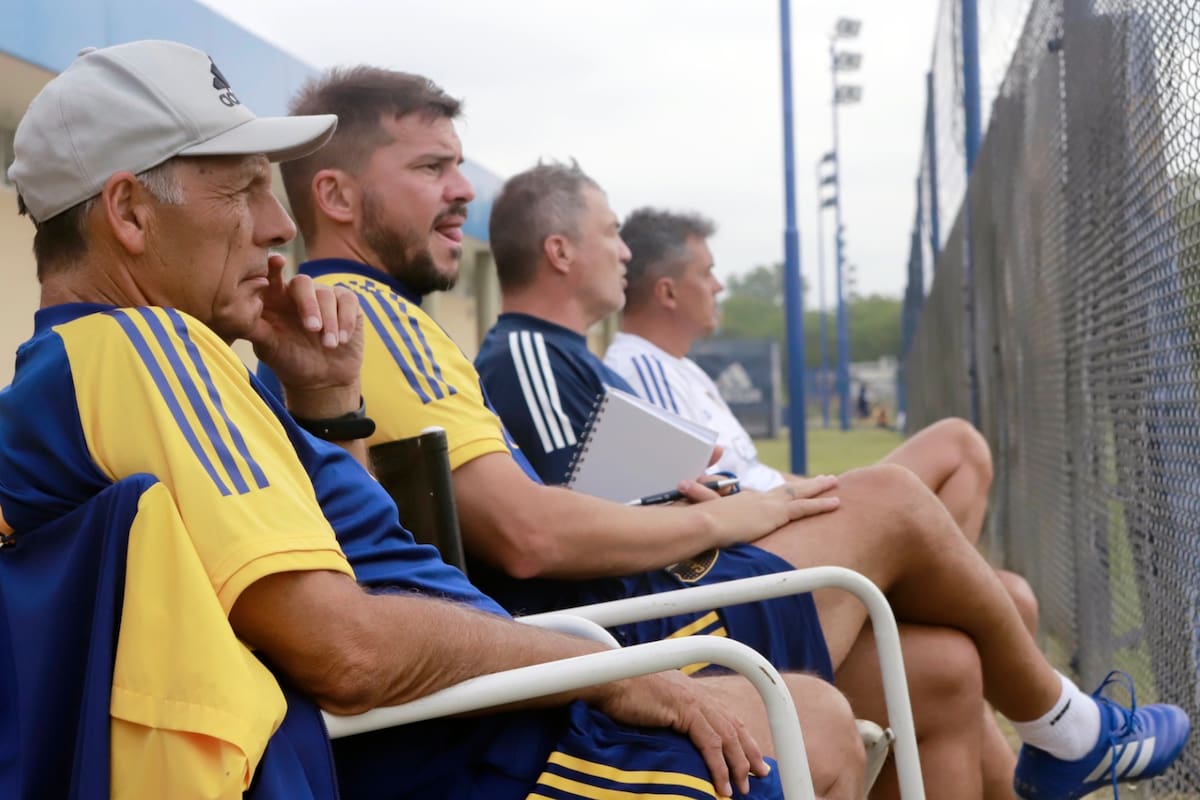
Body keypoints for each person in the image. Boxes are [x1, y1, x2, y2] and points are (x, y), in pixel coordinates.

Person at [0, 41, 862, 799]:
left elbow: (356, 565)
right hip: (458, 750)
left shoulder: (136, 363)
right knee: (810, 717)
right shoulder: (141, 348)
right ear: (128, 214)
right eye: (241, 192)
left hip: (457, 725)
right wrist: (599, 669)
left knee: (821, 709)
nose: (277, 225)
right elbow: (347, 646)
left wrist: (329, 402)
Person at [473, 161, 1191, 799]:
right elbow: (564, 528)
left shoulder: (579, 361)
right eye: (610, 232)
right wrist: (720, 514)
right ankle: (1071, 729)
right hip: (654, 629)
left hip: (685, 591)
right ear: (560, 251)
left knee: (946, 665)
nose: (624, 250)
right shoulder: (526, 353)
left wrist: (709, 498)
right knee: (907, 500)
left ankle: (1061, 735)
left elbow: (609, 499)